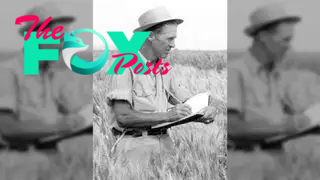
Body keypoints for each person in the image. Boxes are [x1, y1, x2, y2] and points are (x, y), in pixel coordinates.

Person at [107, 6, 217, 166]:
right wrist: (168, 116)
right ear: (151, 36)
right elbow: (123, 117)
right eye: (169, 39)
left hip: (165, 145)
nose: (173, 45)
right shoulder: (123, 65)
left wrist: (206, 110)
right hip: (135, 149)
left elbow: (187, 100)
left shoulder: (163, 68)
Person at [227, 3, 320, 180]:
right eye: (285, 40)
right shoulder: (236, 72)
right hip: (245, 167)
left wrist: (311, 126)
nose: (290, 47)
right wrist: (289, 125)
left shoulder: (274, 75)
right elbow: (233, 127)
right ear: (263, 36)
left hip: (277, 163)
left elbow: (286, 119)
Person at [0, 2, 92, 179]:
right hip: (18, 166)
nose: (64, 45)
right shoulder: (7, 72)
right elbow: (8, 128)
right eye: (60, 39)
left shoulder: (52, 76)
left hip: (52, 163)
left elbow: (76, 115)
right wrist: (60, 126)